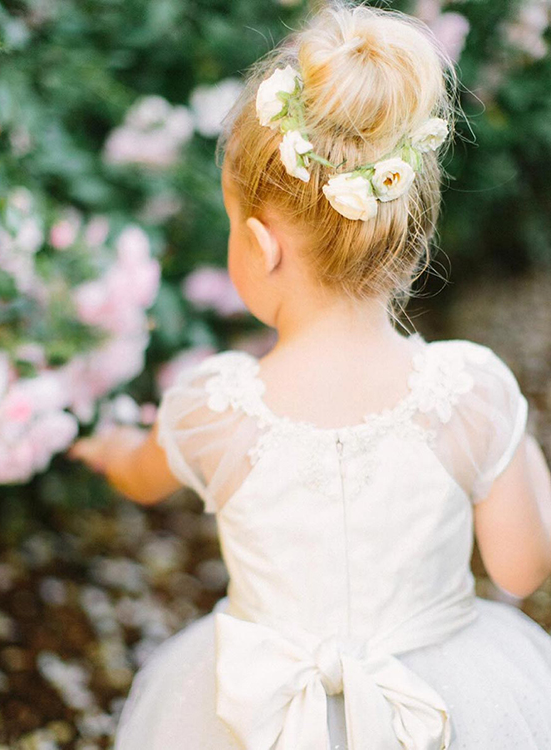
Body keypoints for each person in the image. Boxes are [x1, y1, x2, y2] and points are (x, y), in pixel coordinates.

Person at [69, 1, 551, 747]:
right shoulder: (471, 392)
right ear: (406, 232)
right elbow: (520, 569)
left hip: (253, 715)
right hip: (446, 701)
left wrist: (108, 451)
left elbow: (139, 475)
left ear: (259, 246)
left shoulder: (213, 407)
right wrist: (512, 436)